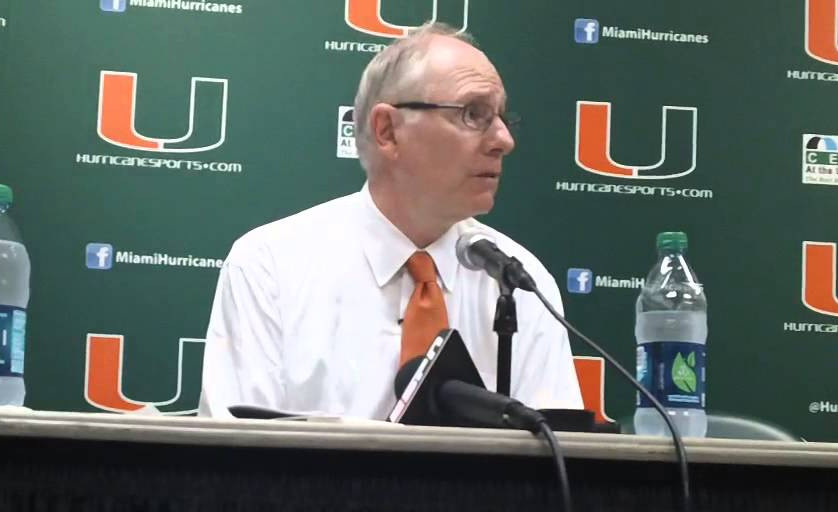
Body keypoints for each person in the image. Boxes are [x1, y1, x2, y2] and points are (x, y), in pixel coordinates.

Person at [197, 21, 583, 420]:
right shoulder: (270, 267)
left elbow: (554, 463)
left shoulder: (518, 281)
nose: (504, 140)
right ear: (388, 131)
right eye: (473, 114)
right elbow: (236, 460)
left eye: (502, 117)